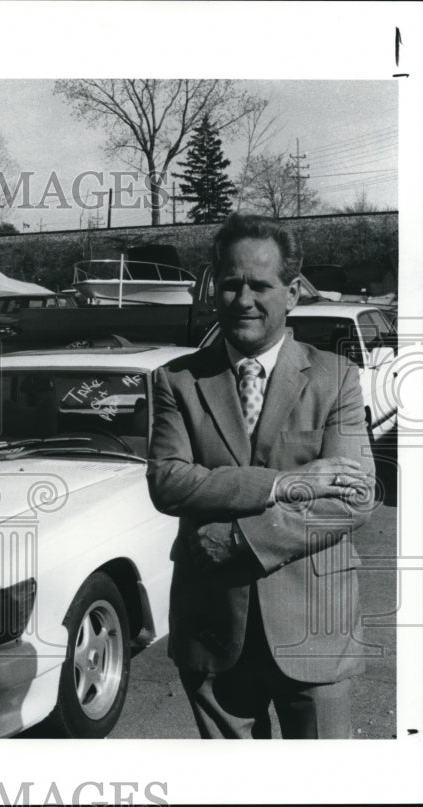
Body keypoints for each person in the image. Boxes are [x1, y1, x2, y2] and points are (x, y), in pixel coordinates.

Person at [147, 213, 376, 739]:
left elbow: (354, 498)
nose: (243, 299)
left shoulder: (335, 377)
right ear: (213, 289)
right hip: (212, 626)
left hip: (315, 627)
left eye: (260, 285)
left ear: (292, 292)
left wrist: (240, 541)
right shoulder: (177, 381)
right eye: (230, 284)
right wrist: (284, 484)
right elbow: (169, 481)